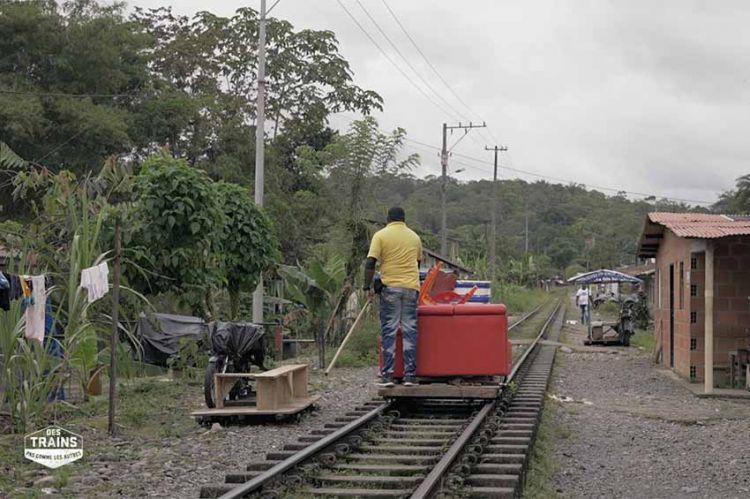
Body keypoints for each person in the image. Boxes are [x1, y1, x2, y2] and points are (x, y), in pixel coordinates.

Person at [363, 207, 422, 388]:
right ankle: (410, 376)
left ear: (387, 219)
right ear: (404, 220)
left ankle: (388, 375)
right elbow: (417, 263)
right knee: (410, 330)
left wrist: (368, 286)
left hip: (390, 289)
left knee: (389, 330)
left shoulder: (381, 235)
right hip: (411, 288)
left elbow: (371, 262)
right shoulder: (415, 237)